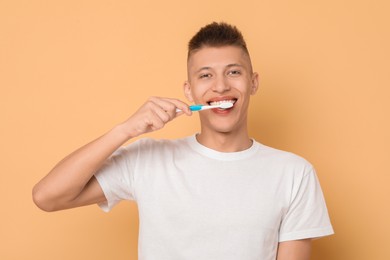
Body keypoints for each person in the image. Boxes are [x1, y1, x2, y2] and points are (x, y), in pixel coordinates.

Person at [33, 22, 334, 260]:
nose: (220, 86)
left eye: (233, 72)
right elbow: (47, 196)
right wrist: (124, 130)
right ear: (189, 92)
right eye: (206, 76)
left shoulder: (295, 173)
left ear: (252, 82)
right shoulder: (148, 159)